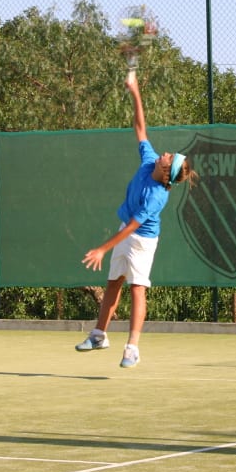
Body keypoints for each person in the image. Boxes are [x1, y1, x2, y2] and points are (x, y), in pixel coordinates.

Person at [78, 69, 195, 368]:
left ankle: (132, 348)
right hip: (126, 229)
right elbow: (140, 127)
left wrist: (103, 248)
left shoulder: (157, 194)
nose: (165, 153)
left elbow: (133, 226)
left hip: (141, 239)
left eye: (170, 156)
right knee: (114, 282)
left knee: (136, 288)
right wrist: (135, 90)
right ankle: (99, 334)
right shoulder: (148, 162)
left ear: (167, 170)